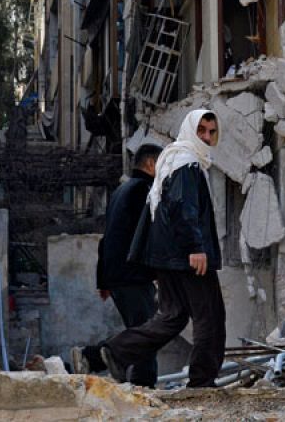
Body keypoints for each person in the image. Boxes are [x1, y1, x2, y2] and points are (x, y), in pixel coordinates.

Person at [100, 109, 225, 388]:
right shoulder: (188, 163)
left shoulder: (172, 160)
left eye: (211, 131)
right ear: (190, 130)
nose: (206, 136)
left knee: (172, 317)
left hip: (168, 258)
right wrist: (196, 246)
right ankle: (202, 382)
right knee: (210, 317)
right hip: (187, 256)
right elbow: (183, 206)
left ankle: (116, 352)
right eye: (201, 130)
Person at [83, 143, 162, 380]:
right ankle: (95, 356)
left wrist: (104, 280)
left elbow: (107, 239)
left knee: (141, 332)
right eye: (163, 163)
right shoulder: (144, 190)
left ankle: (134, 382)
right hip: (133, 276)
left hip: (119, 277)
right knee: (147, 334)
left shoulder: (121, 191)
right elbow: (149, 235)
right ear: (150, 164)